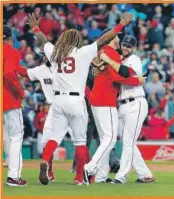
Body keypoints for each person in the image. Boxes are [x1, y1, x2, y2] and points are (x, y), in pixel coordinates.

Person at [27, 12, 134, 186]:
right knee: (80, 140)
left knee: (53, 137)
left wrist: (35, 27)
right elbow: (103, 39)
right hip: (76, 100)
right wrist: (121, 25)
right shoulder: (83, 52)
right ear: (77, 40)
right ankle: (78, 178)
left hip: (58, 100)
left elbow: (43, 41)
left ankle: (46, 161)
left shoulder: (54, 52)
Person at [83, 31, 146, 184]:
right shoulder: (111, 53)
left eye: (128, 45)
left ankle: (101, 176)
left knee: (109, 139)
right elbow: (118, 76)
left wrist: (129, 72)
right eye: (120, 40)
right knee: (110, 139)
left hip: (105, 101)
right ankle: (90, 168)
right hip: (107, 101)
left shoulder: (106, 53)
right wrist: (136, 80)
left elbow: (123, 72)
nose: (122, 43)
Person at [99, 35, 155, 184]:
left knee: (128, 141)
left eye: (129, 46)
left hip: (135, 104)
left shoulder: (134, 59)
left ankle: (121, 177)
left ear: (135, 49)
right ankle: (145, 174)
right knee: (128, 142)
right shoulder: (119, 59)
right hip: (122, 105)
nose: (125, 48)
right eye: (124, 45)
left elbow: (124, 73)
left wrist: (108, 60)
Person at [3, 25, 28, 187]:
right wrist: (21, 92)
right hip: (9, 99)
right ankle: (13, 176)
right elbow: (9, 73)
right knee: (16, 136)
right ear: (10, 39)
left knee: (8, 137)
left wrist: (31, 72)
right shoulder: (12, 51)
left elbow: (15, 69)